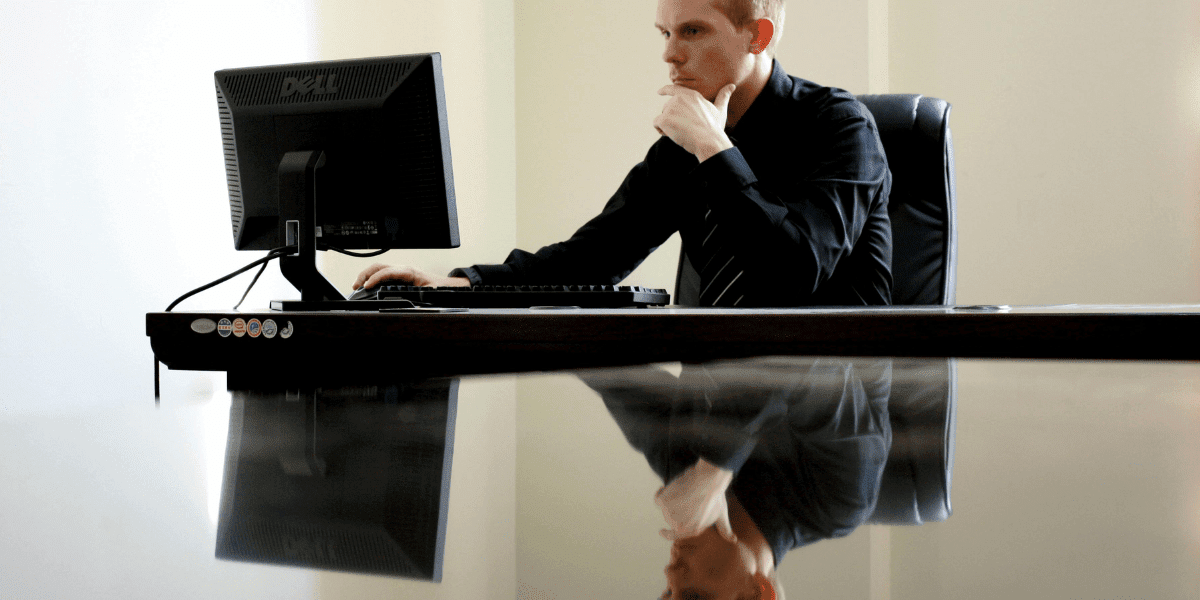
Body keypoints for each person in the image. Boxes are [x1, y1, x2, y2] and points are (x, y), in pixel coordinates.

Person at [354, 0, 893, 308]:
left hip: (834, 406)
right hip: (717, 398)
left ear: (757, 36)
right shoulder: (684, 147)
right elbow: (591, 260)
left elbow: (797, 270)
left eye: (692, 31)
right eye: (665, 32)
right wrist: (458, 284)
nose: (670, 53)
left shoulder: (841, 127)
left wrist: (714, 149)